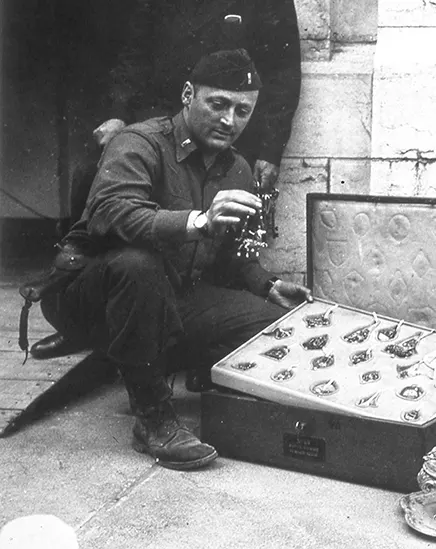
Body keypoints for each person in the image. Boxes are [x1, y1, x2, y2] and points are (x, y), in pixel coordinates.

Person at [38, 49, 312, 470]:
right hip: (86, 297)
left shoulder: (235, 167)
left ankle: (192, 365)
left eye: (242, 111)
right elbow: (113, 212)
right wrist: (199, 220)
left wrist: (267, 285)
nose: (229, 121)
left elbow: (230, 258)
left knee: (268, 322)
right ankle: (153, 419)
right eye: (217, 104)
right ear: (188, 95)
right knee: (137, 264)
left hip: (165, 295)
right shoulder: (140, 142)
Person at [31, 0, 302, 359]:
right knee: (117, 224)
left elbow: (284, 71)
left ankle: (169, 341)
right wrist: (118, 113)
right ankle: (85, 323)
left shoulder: (235, 164)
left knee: (209, 252)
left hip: (220, 127)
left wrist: (269, 147)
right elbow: (135, 52)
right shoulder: (140, 144)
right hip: (164, 115)